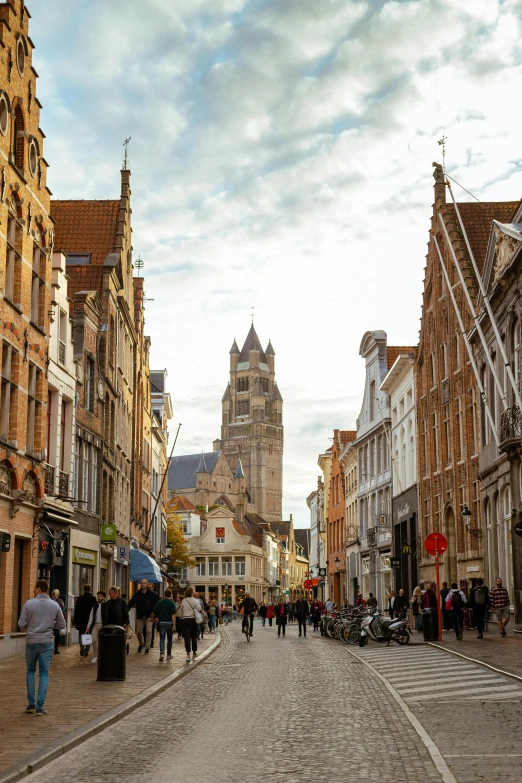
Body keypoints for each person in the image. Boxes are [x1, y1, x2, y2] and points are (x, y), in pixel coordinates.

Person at [18, 579, 65, 716]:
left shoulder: (29, 603)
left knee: (30, 671)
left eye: (34, 588)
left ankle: (31, 704)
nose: (33, 590)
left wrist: (32, 625)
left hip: (32, 641)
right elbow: (62, 624)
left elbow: (21, 623)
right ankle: (40, 706)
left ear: (39, 589)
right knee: (44, 673)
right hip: (47, 641)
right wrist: (50, 625)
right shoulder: (54, 605)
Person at [127, 578, 158, 654]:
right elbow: (131, 602)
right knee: (138, 632)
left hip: (149, 615)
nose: (143, 584)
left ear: (147, 584)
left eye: (144, 583)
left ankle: (147, 647)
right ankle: (141, 643)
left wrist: (155, 615)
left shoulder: (152, 594)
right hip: (140, 616)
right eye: (142, 583)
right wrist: (126, 609)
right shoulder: (138, 594)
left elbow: (156, 604)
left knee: (149, 631)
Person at [151, 589, 177, 661]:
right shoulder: (172, 603)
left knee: (162, 638)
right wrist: (174, 625)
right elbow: (173, 615)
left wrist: (151, 618)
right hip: (169, 623)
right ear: (170, 595)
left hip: (161, 623)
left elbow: (153, 612)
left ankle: (162, 653)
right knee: (170, 639)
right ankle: (169, 654)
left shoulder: (159, 602)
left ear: (164, 594)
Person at [74, 584, 97, 658]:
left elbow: (76, 610)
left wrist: (75, 620)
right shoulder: (93, 598)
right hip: (89, 619)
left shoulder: (80, 598)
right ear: (90, 589)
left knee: (81, 633)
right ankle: (86, 650)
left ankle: (81, 645)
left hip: (80, 619)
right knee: (88, 634)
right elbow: (95, 611)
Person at [180, 586, 201, 662]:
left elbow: (181, 611)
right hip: (192, 620)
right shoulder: (195, 600)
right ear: (192, 593)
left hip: (185, 620)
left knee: (187, 638)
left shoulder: (184, 601)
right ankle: (194, 652)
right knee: (193, 636)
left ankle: (188, 655)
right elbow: (199, 609)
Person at [85, 590, 106, 664]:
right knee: (93, 640)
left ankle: (102, 656)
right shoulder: (95, 605)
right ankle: (96, 656)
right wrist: (88, 625)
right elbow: (91, 615)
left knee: (102, 642)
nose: (99, 597)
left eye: (100, 596)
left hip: (103, 626)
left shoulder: (106, 605)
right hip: (95, 625)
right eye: (98, 596)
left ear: (103, 597)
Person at [51, 589, 66, 655]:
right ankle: (56, 648)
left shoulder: (49, 600)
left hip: (50, 620)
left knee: (50, 635)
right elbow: (63, 610)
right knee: (57, 635)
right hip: (57, 620)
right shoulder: (60, 601)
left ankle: (51, 648)